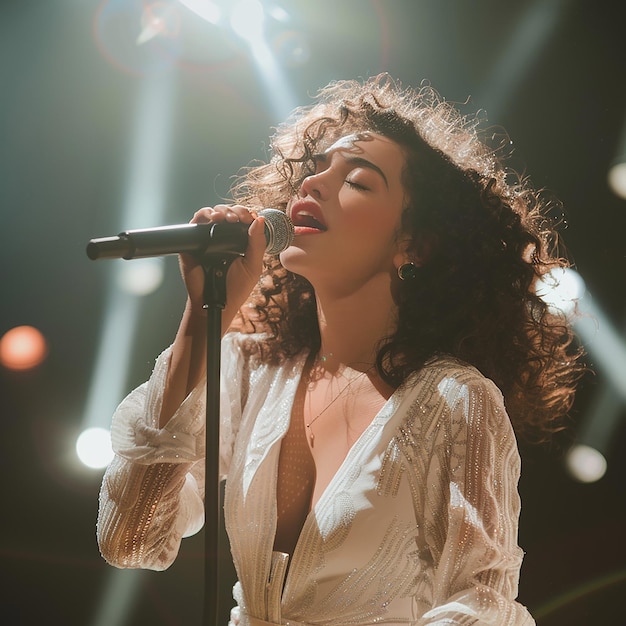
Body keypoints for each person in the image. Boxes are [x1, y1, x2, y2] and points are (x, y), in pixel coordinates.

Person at [96, 74, 584, 625]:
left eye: (357, 180)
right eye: (314, 171)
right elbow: (131, 539)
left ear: (414, 243)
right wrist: (205, 316)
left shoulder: (453, 401)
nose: (313, 186)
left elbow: (480, 603)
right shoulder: (250, 371)